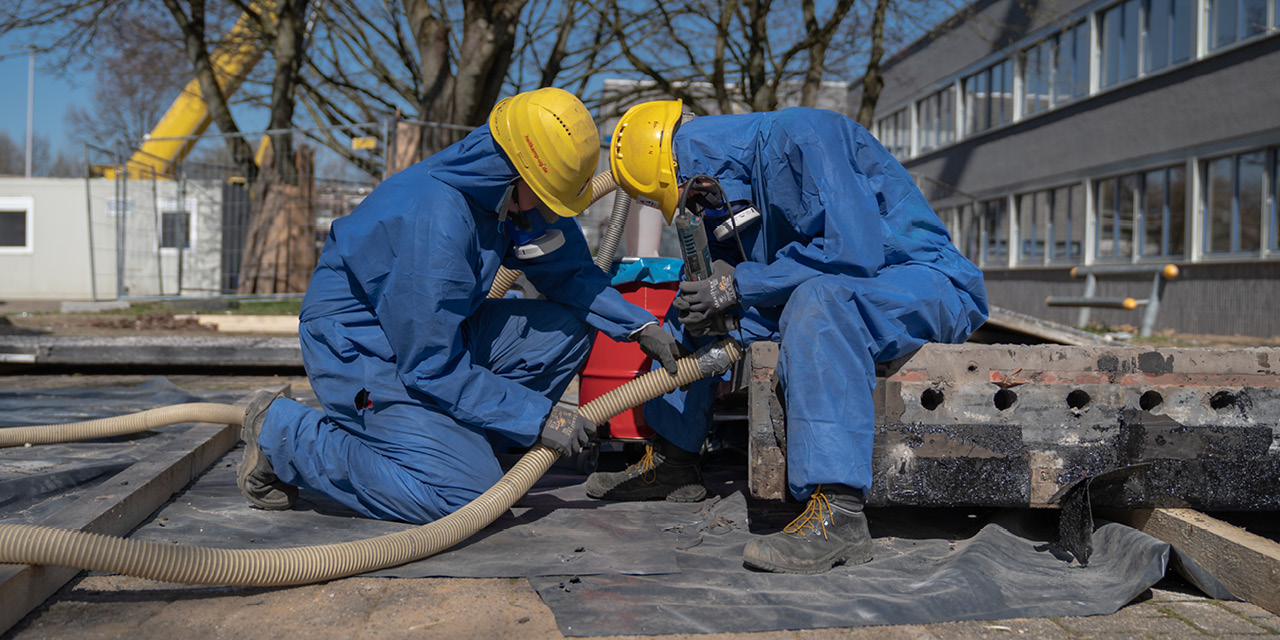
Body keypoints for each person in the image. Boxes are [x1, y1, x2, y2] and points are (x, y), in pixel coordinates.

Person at [235, 88, 686, 525]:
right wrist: (536, 416)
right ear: (517, 174)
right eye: (548, 199)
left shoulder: (509, 199)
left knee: (567, 328)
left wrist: (639, 326)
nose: (552, 214)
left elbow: (568, 272)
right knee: (465, 494)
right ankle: (283, 435)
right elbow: (429, 365)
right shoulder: (436, 224)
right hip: (363, 349)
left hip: (434, 335)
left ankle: (463, 441)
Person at [586, 100, 989, 574]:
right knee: (690, 310)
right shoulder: (723, 181)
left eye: (682, 196)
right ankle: (675, 463)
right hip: (821, 281)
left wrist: (734, 287)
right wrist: (708, 295)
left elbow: (851, 253)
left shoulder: (807, 135)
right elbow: (736, 267)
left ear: (685, 170)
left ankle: (838, 515)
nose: (692, 209)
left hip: (919, 280)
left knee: (820, 305)